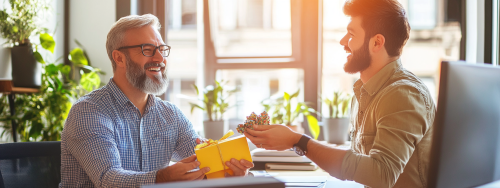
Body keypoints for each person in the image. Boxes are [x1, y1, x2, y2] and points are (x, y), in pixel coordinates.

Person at [244, 0, 435, 187]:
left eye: (351, 34)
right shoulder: (365, 92)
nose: (343, 41)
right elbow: (358, 163)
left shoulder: (402, 94)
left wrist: (298, 141)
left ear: (377, 42)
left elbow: (381, 175)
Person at [60, 14, 253, 187]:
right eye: (147, 50)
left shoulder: (170, 115)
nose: (160, 58)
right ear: (119, 58)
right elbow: (108, 180)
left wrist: (230, 173)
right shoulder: (89, 111)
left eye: (161, 49)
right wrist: (163, 177)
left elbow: (204, 165)